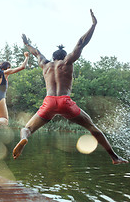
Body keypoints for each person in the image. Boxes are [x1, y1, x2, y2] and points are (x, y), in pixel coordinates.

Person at [13, 10, 128, 165]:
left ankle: (24, 139)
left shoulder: (45, 64)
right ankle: (114, 157)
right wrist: (93, 25)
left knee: (26, 128)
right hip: (65, 102)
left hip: (49, 102)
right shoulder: (67, 62)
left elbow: (36, 52)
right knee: (92, 128)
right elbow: (81, 42)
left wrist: (26, 43)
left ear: (53, 58)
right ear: (64, 57)